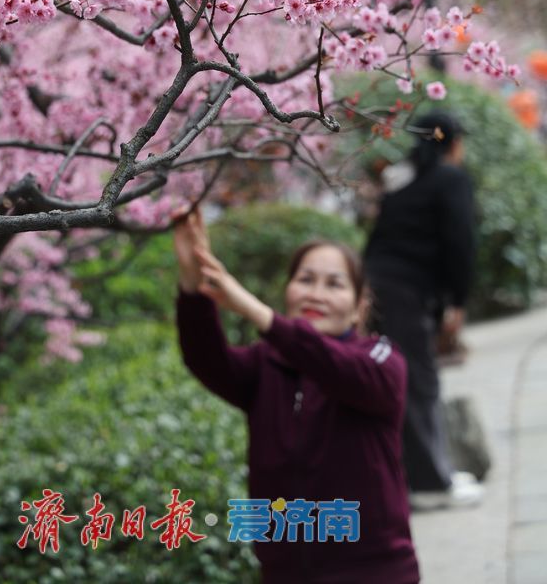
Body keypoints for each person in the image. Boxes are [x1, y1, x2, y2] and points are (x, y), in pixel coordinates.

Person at [174, 210, 420, 583]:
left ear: (359, 308)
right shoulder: (265, 364)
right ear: (289, 290)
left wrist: (256, 311)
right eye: (305, 280)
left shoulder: (380, 360)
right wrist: (193, 288)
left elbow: (336, 367)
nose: (316, 294)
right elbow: (206, 358)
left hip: (374, 572)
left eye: (334, 284)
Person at [364, 109, 482, 510]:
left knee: (404, 379)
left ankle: (429, 471)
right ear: (453, 142)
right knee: (418, 381)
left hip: (378, 286)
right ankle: (432, 483)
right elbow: (459, 243)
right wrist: (459, 301)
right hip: (405, 292)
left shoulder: (401, 178)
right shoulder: (450, 179)